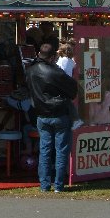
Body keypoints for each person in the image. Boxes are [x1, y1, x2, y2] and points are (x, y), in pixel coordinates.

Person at [27, 42, 78, 193]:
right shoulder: (55, 72)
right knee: (61, 151)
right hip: (59, 113)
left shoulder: (30, 71)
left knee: (45, 150)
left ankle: (44, 185)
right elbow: (72, 90)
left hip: (42, 115)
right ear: (52, 57)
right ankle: (59, 185)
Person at [57, 43, 84, 129]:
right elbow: (77, 69)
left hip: (62, 83)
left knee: (66, 102)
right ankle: (75, 119)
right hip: (69, 83)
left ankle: (75, 119)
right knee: (68, 102)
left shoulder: (61, 60)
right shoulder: (71, 61)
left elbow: (57, 68)